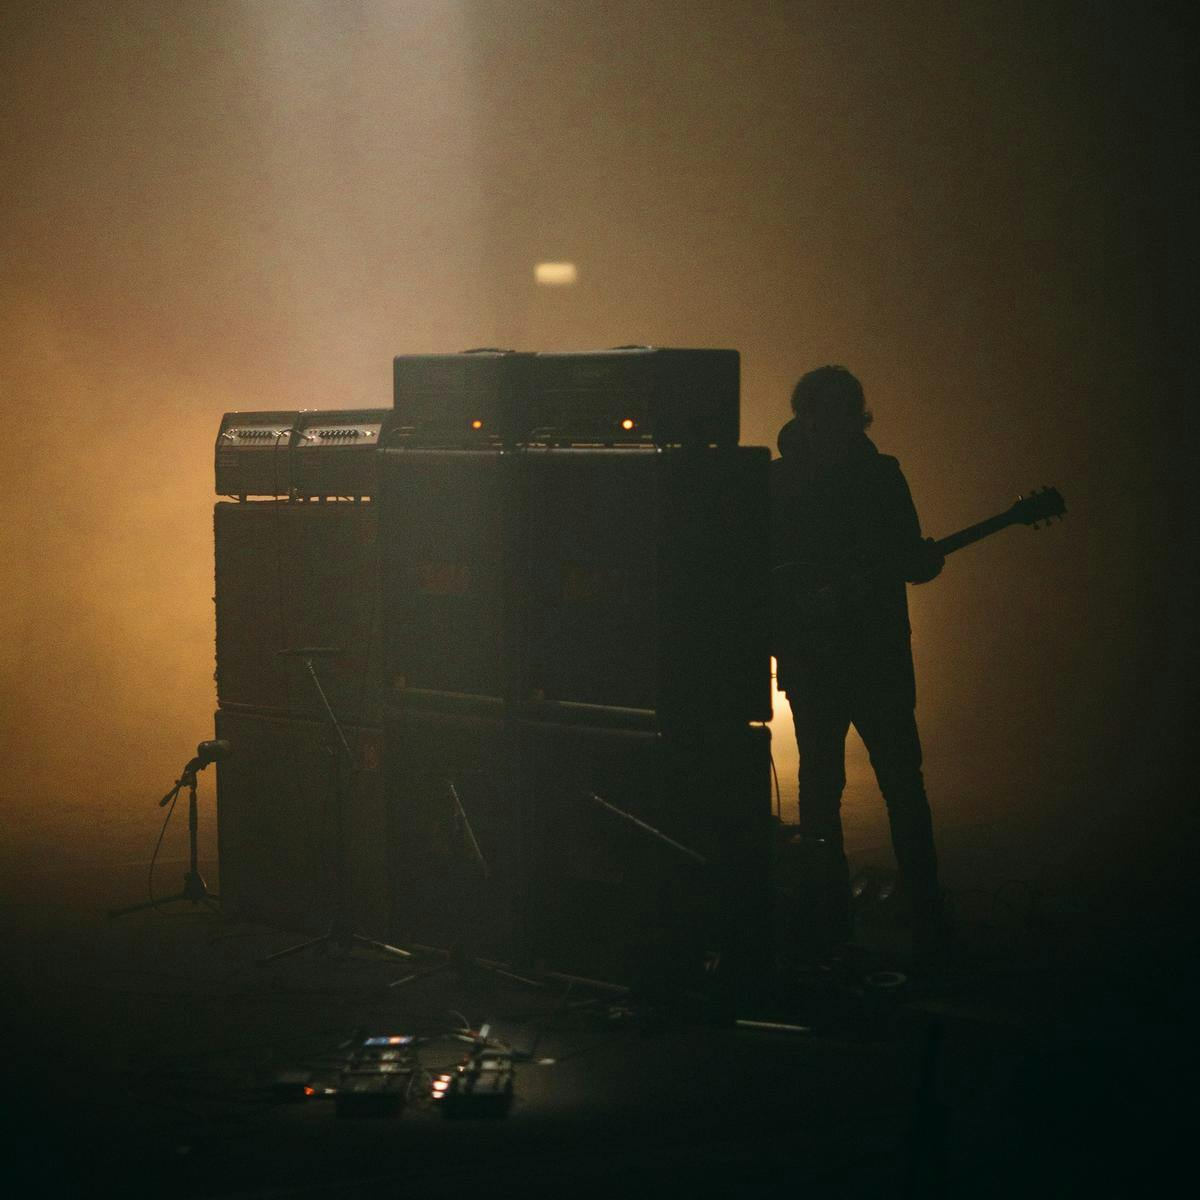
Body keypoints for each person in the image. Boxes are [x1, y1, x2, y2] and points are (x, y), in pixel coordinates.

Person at [770, 365, 951, 965]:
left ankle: (832, 912)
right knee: (893, 782)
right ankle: (921, 909)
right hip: (869, 655)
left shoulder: (782, 481)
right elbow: (914, 563)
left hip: (831, 656)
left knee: (831, 785)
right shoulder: (878, 476)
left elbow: (761, 571)